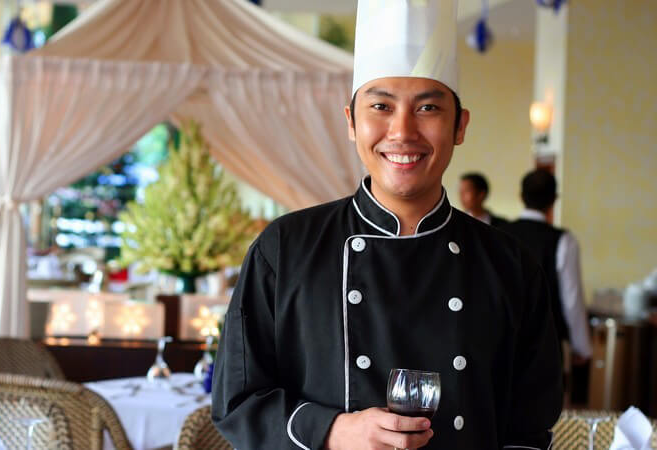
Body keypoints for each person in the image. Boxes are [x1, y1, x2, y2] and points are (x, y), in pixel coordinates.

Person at [211, 1, 562, 448]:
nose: (402, 132)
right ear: (351, 122)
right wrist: (333, 430)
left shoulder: (509, 265)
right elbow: (236, 401)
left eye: (428, 108)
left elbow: (529, 425)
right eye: (381, 105)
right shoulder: (285, 248)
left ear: (460, 126)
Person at [503, 169, 593, 367]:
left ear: (520, 197)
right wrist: (582, 347)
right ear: (554, 199)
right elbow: (572, 299)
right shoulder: (563, 240)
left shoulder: (499, 234)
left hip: (499, 342)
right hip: (544, 345)